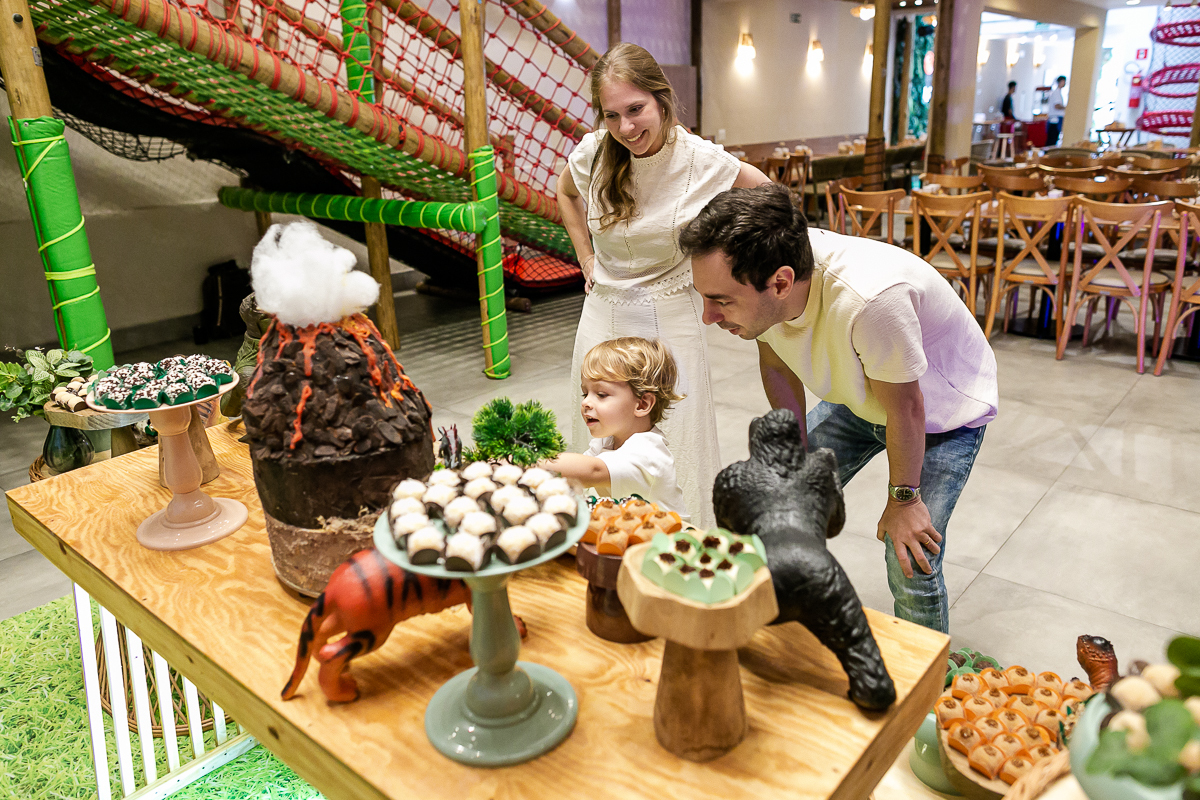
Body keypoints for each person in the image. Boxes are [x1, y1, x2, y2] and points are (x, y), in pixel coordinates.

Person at [680, 184, 998, 633]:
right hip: (866, 390)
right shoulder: (771, 291)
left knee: (908, 555)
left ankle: (929, 684)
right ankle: (770, 620)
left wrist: (903, 500)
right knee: (775, 501)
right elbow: (776, 365)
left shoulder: (870, 302)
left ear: (782, 282)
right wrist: (793, 457)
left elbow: (908, 409)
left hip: (941, 412)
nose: (709, 316)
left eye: (722, 300)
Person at [556, 43, 770, 529]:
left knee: (677, 440)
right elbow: (564, 192)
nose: (626, 128)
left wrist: (727, 270)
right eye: (612, 115)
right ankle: (596, 538)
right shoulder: (593, 152)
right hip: (603, 312)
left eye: (636, 110)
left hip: (669, 317)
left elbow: (767, 196)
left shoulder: (698, 159)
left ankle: (682, 543)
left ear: (662, 99)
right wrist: (586, 255)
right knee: (595, 428)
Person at [542, 337, 688, 519]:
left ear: (642, 404)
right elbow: (576, 472)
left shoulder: (648, 453)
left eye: (601, 394)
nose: (586, 402)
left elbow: (592, 471)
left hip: (669, 541)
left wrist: (522, 462)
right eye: (585, 393)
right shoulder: (609, 440)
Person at [1046, 76, 1067, 146]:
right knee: (1052, 139)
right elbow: (1057, 106)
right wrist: (1066, 107)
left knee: (1054, 139)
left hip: (1057, 120)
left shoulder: (1058, 93)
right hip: (1054, 120)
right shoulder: (1056, 93)